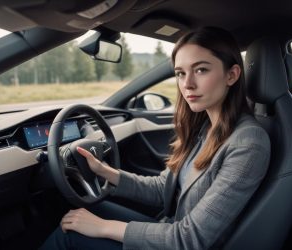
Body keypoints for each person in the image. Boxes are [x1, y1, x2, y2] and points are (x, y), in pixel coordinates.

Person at [40, 26, 271, 250]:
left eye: (201, 70)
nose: (187, 84)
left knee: (70, 234)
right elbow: (164, 189)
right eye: (180, 73)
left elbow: (189, 239)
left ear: (231, 75)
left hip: (181, 241)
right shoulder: (205, 127)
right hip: (170, 229)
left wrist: (104, 228)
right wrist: (103, 171)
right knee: (91, 212)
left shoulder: (248, 142)